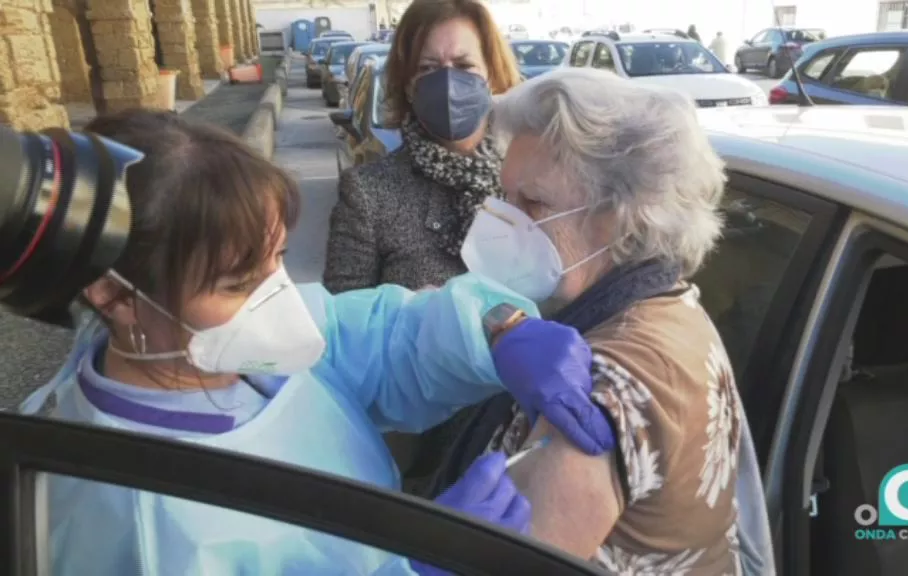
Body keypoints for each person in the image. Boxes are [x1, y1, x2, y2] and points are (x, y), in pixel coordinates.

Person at [19, 109, 614, 575]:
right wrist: (422, 565)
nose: (277, 294)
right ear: (113, 295)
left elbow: (383, 338)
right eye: (236, 282)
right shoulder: (131, 522)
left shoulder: (230, 349)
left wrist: (496, 330)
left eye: (277, 257)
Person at [428, 68, 776, 575]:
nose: (506, 221)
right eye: (504, 197)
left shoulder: (599, 388)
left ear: (618, 216)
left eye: (533, 203)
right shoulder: (666, 302)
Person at [323, 0, 522, 494]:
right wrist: (420, 316)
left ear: (493, 72)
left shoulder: (532, 180)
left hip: (528, 438)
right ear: (407, 84)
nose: (448, 83)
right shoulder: (369, 191)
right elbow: (341, 331)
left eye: (464, 66)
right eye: (429, 68)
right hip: (426, 456)